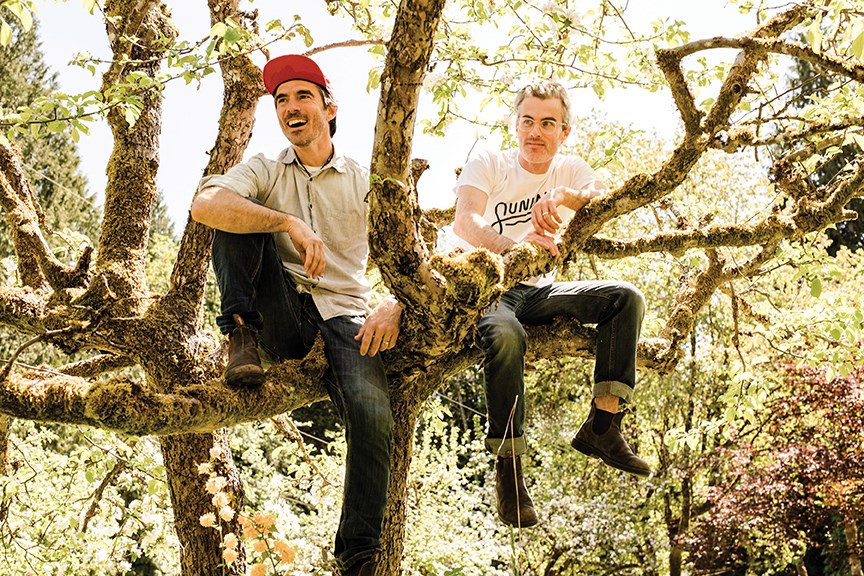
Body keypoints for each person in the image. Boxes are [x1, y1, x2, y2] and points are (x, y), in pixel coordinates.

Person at [190, 54, 400, 576]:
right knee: (240, 213)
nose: (290, 107)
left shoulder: (366, 179)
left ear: (329, 108)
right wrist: (285, 221)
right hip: (281, 314)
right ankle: (239, 335)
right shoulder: (266, 166)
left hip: (349, 313)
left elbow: (414, 253)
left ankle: (356, 557)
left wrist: (394, 302)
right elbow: (205, 203)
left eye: (302, 96)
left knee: (374, 418)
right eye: (281, 100)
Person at [451, 80, 650, 529]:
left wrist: (563, 197)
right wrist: (513, 250)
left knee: (626, 298)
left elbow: (605, 198)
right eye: (527, 121)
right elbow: (466, 221)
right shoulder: (490, 161)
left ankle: (603, 427)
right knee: (505, 334)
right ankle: (510, 470)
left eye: (547, 123)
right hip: (488, 287)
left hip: (540, 292)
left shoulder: (569, 168)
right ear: (514, 125)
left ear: (565, 131)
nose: (535, 132)